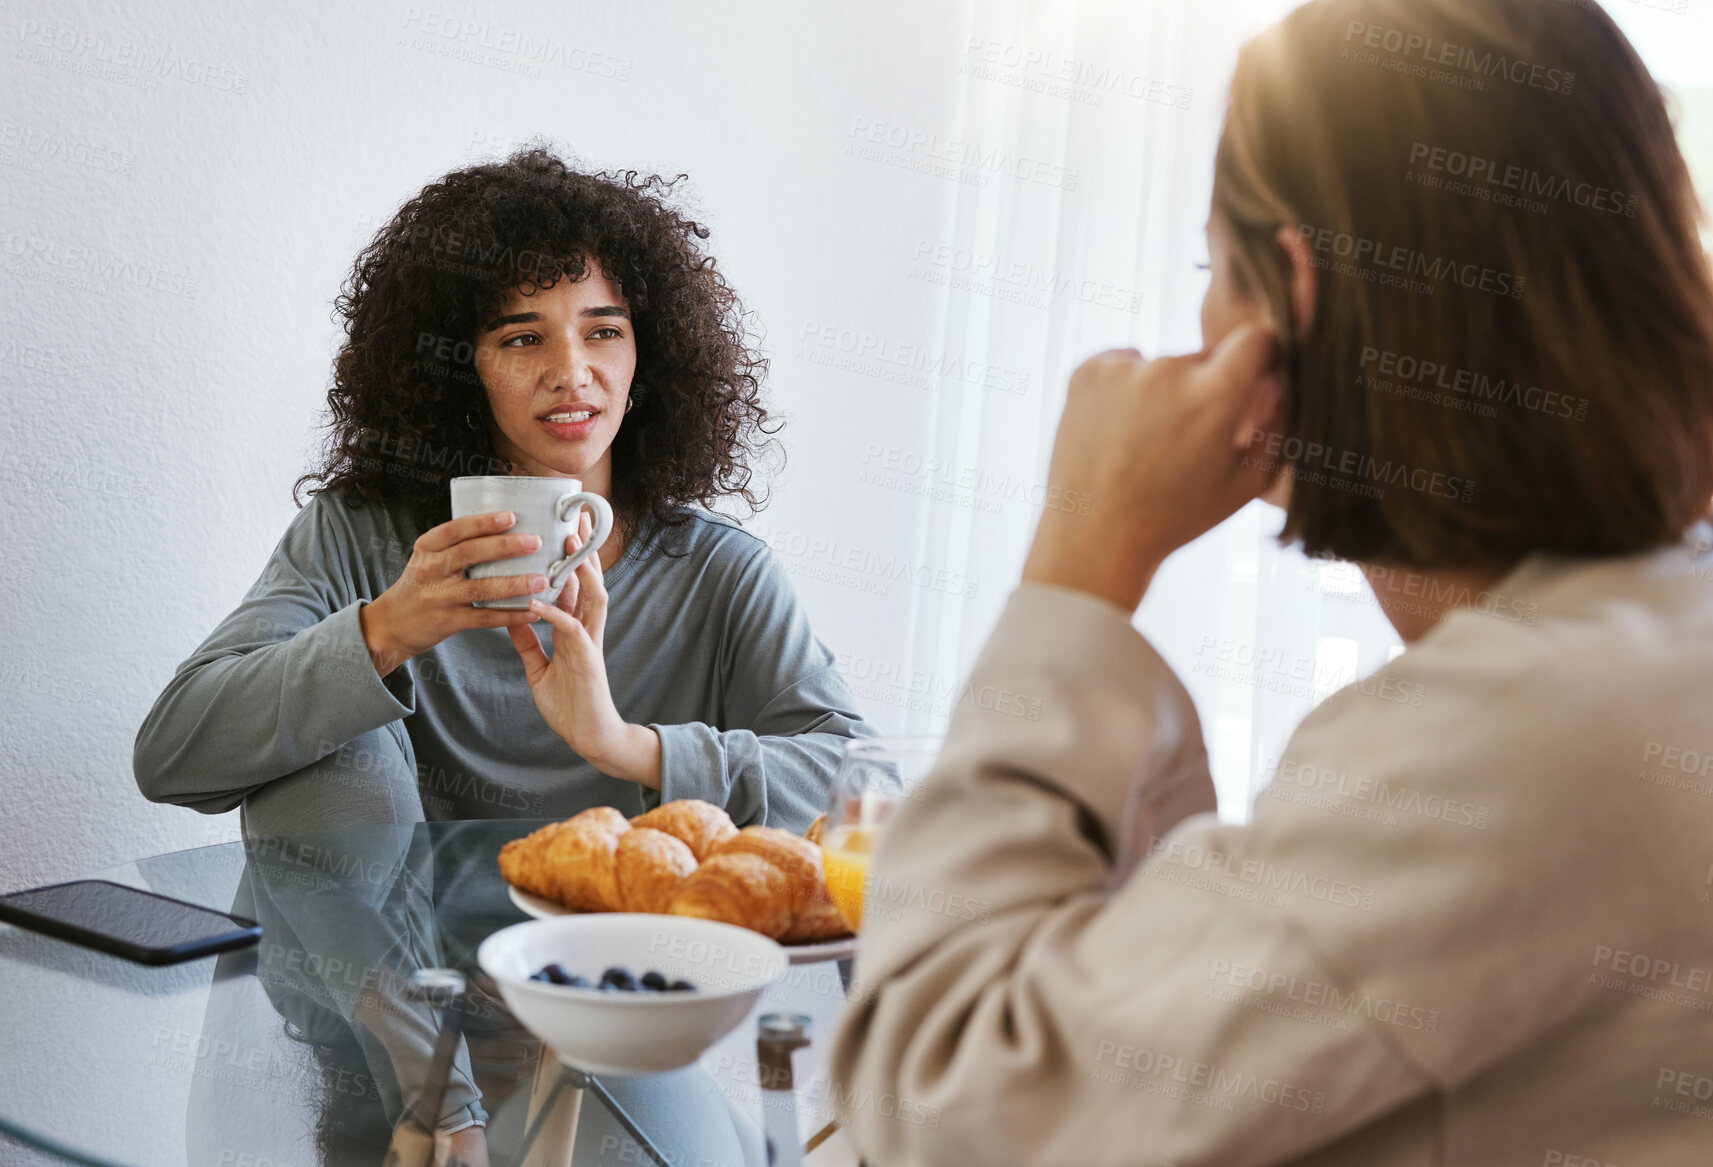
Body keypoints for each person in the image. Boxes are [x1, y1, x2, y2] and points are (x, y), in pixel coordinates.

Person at [832, 0, 1713, 1163]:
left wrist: (1079, 566)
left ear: (1293, 300)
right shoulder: (1646, 636)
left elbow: (940, 1104)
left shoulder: (1521, 734)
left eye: (1213, 263)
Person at [133, 146, 869, 1160]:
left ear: (647, 353)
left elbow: (867, 786)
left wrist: (626, 742)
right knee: (326, 732)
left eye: (603, 331)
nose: (574, 374)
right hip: (375, 1029)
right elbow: (173, 752)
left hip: (597, 1019)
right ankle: (440, 1102)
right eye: (522, 337)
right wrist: (387, 631)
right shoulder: (362, 538)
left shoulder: (717, 572)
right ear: (453, 365)